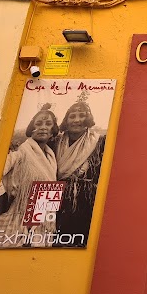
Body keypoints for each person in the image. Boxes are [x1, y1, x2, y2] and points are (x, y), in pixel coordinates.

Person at [0, 104, 59, 248]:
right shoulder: (20, 153)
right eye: (38, 123)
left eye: (48, 124)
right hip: (17, 212)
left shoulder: (52, 158)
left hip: (42, 214)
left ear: (52, 132)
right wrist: (2, 198)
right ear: (30, 129)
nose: (43, 127)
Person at [54, 95, 106, 246]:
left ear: (88, 119)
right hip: (54, 197)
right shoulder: (54, 142)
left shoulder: (99, 143)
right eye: (72, 116)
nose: (77, 120)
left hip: (84, 202)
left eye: (82, 115)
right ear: (66, 120)